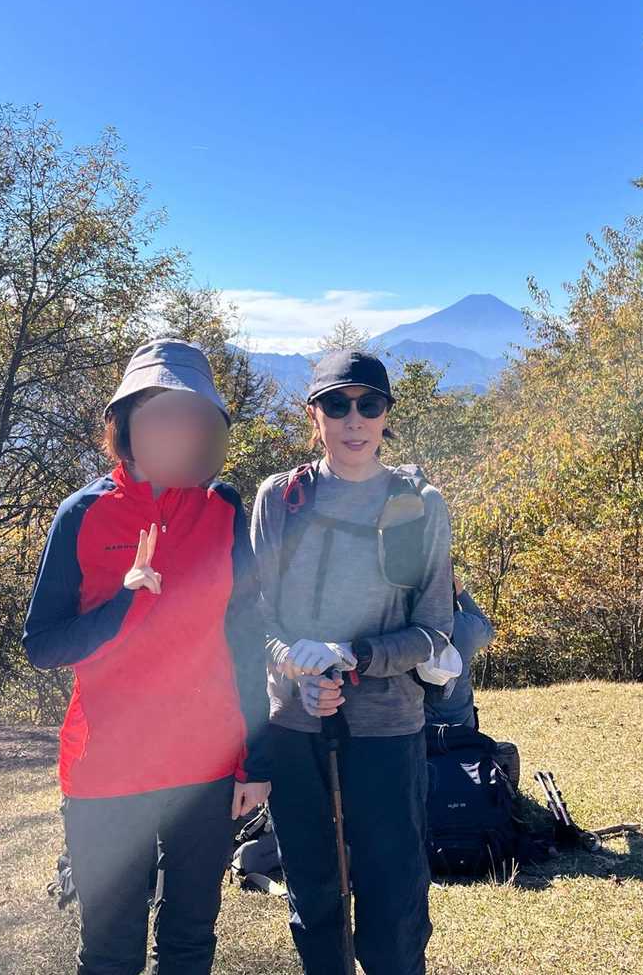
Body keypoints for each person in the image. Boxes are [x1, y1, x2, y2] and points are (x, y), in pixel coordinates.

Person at [22, 339, 271, 975]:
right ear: (124, 424)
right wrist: (124, 607)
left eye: (189, 416)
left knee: (189, 941)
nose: (174, 430)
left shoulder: (222, 509)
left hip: (205, 766)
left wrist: (255, 760)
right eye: (157, 414)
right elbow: (42, 644)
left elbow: (246, 638)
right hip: (108, 768)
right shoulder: (83, 515)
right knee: (110, 950)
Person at [251, 349, 454, 975]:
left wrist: (355, 657)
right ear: (314, 415)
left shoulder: (418, 503)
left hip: (388, 729)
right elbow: (255, 618)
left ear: (387, 413)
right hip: (295, 729)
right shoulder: (282, 498)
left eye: (369, 404)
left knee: (393, 900)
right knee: (314, 896)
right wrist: (294, 662)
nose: (354, 419)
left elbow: (434, 631)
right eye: (336, 405)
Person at [422, 572, 495, 730]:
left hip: (419, 727)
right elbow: (488, 631)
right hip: (463, 726)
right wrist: (462, 594)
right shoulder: (467, 626)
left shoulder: (409, 627)